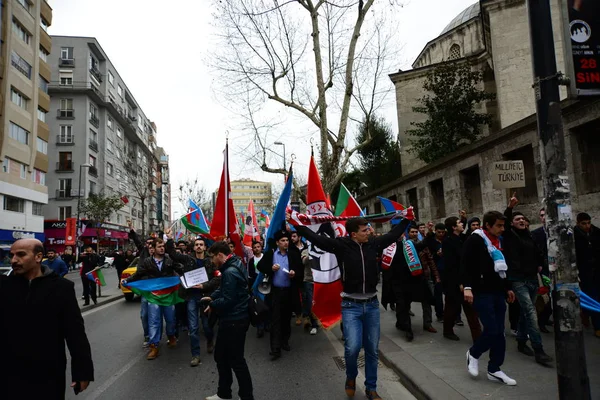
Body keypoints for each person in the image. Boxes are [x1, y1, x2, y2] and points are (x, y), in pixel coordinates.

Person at [296, 215, 413, 400]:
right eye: (364, 230)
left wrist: (407, 220)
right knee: (352, 348)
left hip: (372, 305)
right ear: (353, 234)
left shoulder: (373, 244)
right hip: (351, 306)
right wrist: (297, 225)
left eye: (368, 229)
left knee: (372, 349)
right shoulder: (341, 246)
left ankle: (371, 388)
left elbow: (392, 235)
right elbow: (317, 239)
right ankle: (351, 377)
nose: (369, 232)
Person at [0, 239, 94, 399]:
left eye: (21, 255)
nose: (14, 260)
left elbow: (75, 333)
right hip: (8, 372)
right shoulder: (3, 286)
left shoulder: (62, 288)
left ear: (38, 257)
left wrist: (82, 371)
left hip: (48, 373)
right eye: (12, 255)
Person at [462, 211, 517, 385]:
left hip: (497, 291)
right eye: (499, 226)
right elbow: (465, 265)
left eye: (503, 225)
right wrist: (468, 288)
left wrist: (507, 287)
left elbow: (501, 268)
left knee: (499, 332)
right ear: (487, 225)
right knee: (492, 329)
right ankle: (474, 353)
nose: (502, 229)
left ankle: (494, 369)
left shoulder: (498, 241)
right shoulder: (475, 240)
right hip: (481, 291)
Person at [503, 194, 553, 365]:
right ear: (511, 223)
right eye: (517, 219)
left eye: (523, 218)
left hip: (532, 279)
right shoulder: (510, 236)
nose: (521, 221)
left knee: (527, 312)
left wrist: (540, 265)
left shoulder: (529, 236)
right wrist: (510, 207)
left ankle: (522, 341)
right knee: (531, 313)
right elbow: (505, 219)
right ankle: (539, 350)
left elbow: (537, 253)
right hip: (518, 280)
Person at [202, 241, 254, 400]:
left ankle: (246, 396)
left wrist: (212, 304)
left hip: (233, 320)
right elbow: (224, 289)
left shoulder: (230, 271)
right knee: (222, 357)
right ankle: (224, 393)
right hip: (235, 319)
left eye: (212, 257)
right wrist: (213, 296)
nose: (212, 261)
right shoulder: (236, 263)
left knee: (236, 360)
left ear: (219, 255)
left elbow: (229, 299)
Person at [165, 231, 221, 367]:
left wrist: (204, 285)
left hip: (205, 297)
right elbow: (173, 254)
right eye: (197, 245)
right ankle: (195, 355)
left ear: (205, 247)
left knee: (207, 326)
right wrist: (170, 239)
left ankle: (209, 340)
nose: (199, 247)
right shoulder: (188, 259)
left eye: (201, 244)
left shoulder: (210, 261)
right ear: (194, 247)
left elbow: (218, 279)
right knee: (193, 327)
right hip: (191, 297)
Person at [122, 239, 183, 360]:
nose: (162, 248)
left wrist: (191, 276)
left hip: (168, 295)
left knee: (170, 319)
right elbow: (138, 274)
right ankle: (154, 346)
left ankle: (171, 336)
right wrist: (127, 281)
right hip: (153, 296)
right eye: (159, 246)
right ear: (153, 249)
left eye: (163, 246)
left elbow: (181, 270)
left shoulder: (170, 259)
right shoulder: (147, 262)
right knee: (154, 321)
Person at [257, 230, 303, 360]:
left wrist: (295, 273)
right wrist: (270, 269)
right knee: (275, 320)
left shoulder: (293, 254)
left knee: (286, 319)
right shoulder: (271, 254)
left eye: (287, 240)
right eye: (282, 241)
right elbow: (260, 266)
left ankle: (284, 341)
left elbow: (300, 271)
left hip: (289, 292)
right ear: (277, 242)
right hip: (275, 292)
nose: (285, 243)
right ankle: (275, 348)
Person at [384, 224, 433, 341]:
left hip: (409, 281)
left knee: (406, 303)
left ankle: (402, 322)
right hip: (396, 282)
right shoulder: (388, 247)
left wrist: (429, 233)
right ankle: (408, 329)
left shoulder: (409, 245)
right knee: (402, 304)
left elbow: (422, 245)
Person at [442, 217, 481, 342]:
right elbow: (451, 264)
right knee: (452, 308)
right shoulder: (448, 241)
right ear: (453, 227)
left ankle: (478, 336)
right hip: (454, 282)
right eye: (459, 223)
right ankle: (447, 330)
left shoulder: (462, 238)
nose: (462, 224)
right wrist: (460, 282)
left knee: (470, 308)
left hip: (466, 279)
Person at [574, 212, 600, 337]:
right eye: (583, 224)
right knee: (592, 297)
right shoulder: (573, 235)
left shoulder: (596, 232)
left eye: (588, 223)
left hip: (597, 269)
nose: (587, 226)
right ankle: (597, 325)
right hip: (585, 271)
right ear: (578, 223)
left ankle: (587, 314)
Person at [424, 223, 446, 323]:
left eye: (442, 232)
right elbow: (428, 240)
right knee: (438, 293)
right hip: (436, 270)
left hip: (447, 270)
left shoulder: (446, 240)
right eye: (439, 232)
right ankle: (440, 314)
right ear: (435, 231)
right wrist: (436, 254)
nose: (441, 234)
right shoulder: (432, 241)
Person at [247, 240, 267, 338]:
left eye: (258, 247)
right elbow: (250, 274)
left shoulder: (266, 257)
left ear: (261, 247)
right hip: (257, 286)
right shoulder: (251, 260)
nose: (257, 249)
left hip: (267, 285)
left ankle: (267, 324)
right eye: (254, 247)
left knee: (267, 305)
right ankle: (260, 327)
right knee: (259, 306)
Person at [301, 247, 319, 335]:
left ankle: (319, 320)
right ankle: (314, 325)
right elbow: (304, 261)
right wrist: (311, 255)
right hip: (309, 280)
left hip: (319, 281)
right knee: (311, 303)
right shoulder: (305, 251)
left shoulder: (321, 250)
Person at [291, 231, 307, 326]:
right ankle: (298, 315)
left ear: (299, 237)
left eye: (294, 236)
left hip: (306, 276)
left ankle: (307, 316)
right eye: (291, 236)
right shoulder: (291, 249)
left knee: (306, 297)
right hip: (295, 276)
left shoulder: (306, 248)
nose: (292, 238)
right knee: (295, 297)